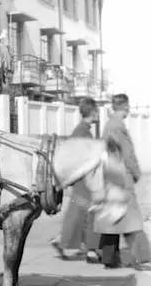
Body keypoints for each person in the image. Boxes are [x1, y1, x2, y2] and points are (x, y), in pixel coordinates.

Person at [96, 93, 151, 270]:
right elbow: (127, 154)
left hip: (111, 176)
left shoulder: (109, 125)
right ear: (126, 107)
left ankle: (109, 258)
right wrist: (136, 173)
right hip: (122, 177)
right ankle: (142, 258)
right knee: (132, 219)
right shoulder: (118, 126)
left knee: (113, 218)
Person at [50, 98, 101, 262]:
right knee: (91, 212)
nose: (98, 113)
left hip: (82, 177)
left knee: (79, 213)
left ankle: (61, 241)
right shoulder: (82, 132)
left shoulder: (83, 130)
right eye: (97, 111)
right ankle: (91, 250)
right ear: (92, 112)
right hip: (84, 177)